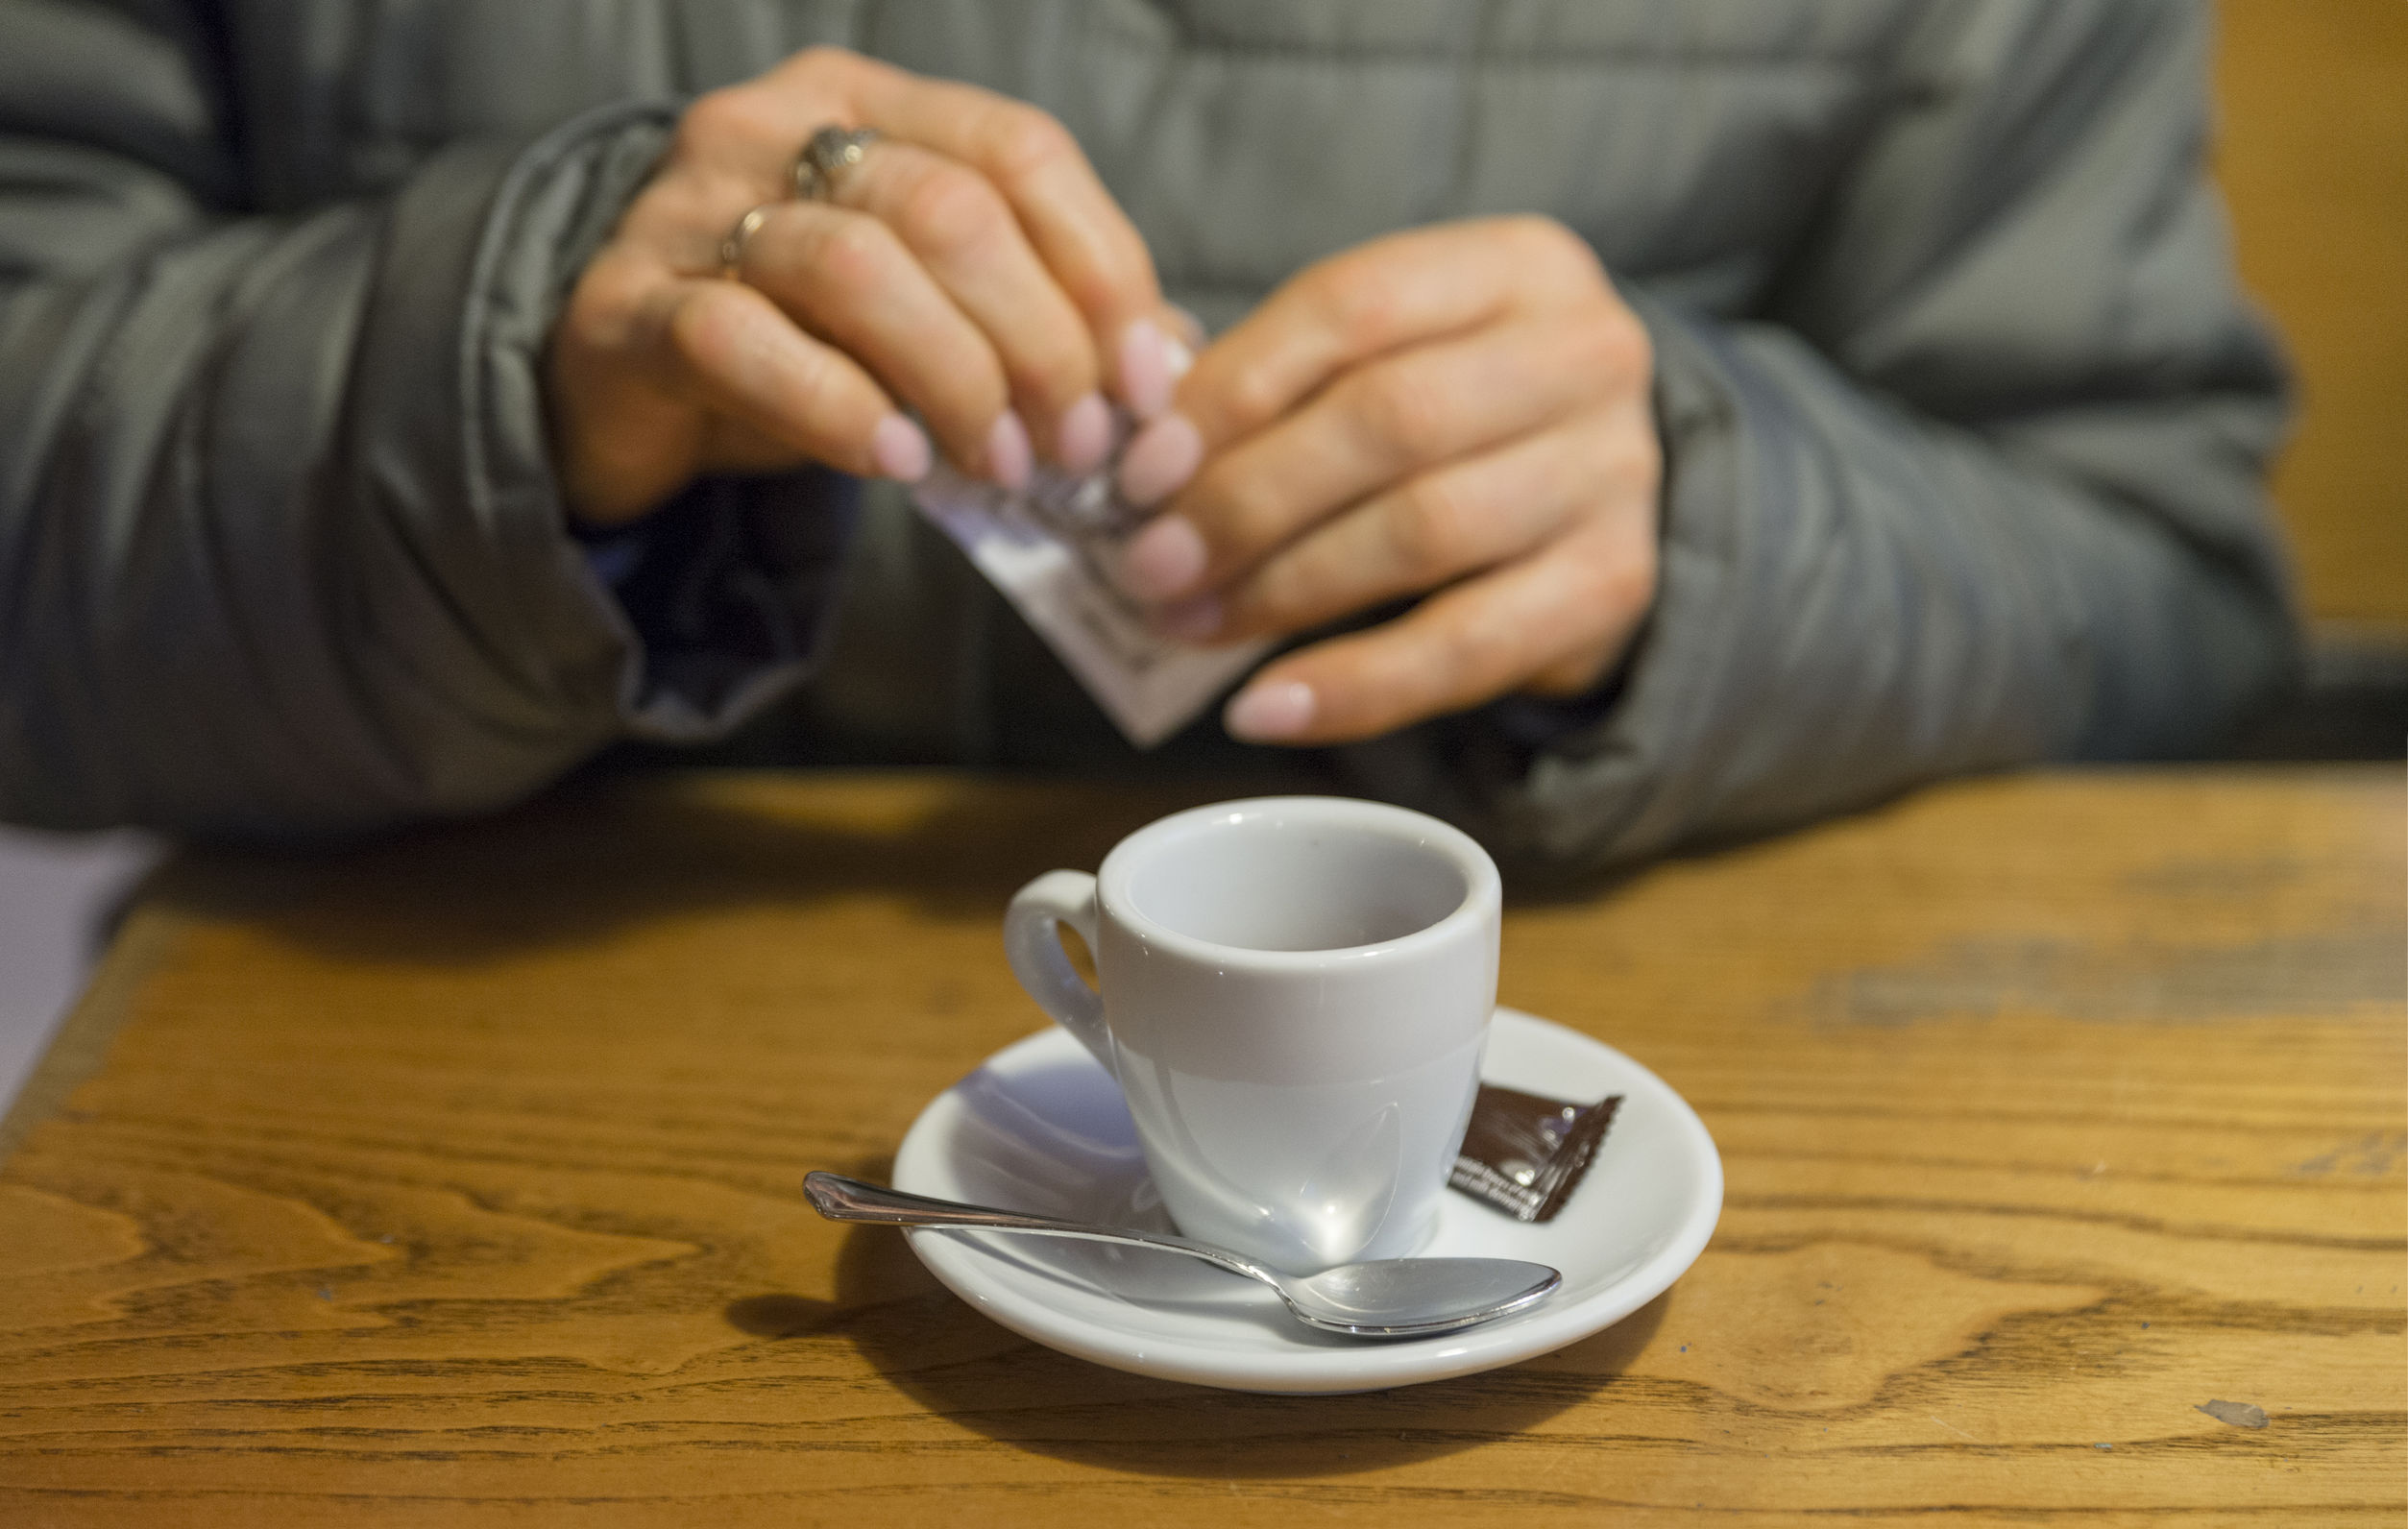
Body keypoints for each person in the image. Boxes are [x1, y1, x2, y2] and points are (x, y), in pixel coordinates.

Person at [0, 1, 2294, 875]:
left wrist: (1721, 535)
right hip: (415, 1190)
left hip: (1603, 1216)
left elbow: (2172, 607)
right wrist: (492, 368)